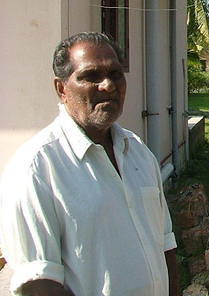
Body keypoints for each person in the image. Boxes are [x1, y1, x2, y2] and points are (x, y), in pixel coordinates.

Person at [0, 33, 178, 296]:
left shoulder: (138, 152)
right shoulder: (36, 168)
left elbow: (165, 245)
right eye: (91, 76)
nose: (108, 85)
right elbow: (39, 283)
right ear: (62, 89)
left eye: (116, 74)